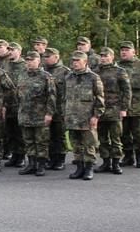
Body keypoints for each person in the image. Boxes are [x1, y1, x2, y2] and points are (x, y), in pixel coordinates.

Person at [64, 51, 105, 181]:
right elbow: (64, 97)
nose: (75, 63)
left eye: (78, 60)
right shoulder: (69, 77)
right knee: (76, 144)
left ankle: (89, 168)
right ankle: (79, 167)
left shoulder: (93, 77)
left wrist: (96, 115)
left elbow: (100, 98)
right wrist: (64, 113)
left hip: (87, 117)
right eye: (73, 60)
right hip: (72, 116)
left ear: (85, 61)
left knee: (89, 144)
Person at [16, 51, 56, 176]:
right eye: (27, 60)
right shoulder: (22, 75)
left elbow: (52, 97)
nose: (29, 62)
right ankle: (31, 164)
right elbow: (18, 95)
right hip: (25, 114)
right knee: (28, 141)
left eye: (32, 60)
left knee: (41, 142)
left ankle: (41, 165)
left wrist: (49, 113)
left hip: (40, 115)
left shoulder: (46, 76)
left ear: (38, 61)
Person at [95, 47, 131, 174]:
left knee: (116, 138)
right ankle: (106, 162)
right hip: (100, 109)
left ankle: (116, 163)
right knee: (102, 138)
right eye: (102, 56)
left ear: (112, 57)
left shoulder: (120, 71)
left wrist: (124, 108)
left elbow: (127, 91)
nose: (103, 58)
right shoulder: (95, 72)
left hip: (115, 108)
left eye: (106, 56)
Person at [42, 48, 69, 170]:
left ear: (56, 57)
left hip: (60, 109)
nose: (45, 59)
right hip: (45, 109)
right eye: (44, 57)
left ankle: (60, 159)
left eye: (48, 56)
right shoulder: (42, 71)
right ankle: (51, 158)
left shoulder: (65, 72)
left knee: (59, 135)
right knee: (47, 135)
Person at [4, 42, 26, 167]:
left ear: (19, 51)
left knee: (20, 133)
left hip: (20, 104)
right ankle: (14, 155)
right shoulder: (6, 65)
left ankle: (21, 156)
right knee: (10, 132)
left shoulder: (24, 65)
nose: (10, 52)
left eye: (12, 50)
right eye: (9, 50)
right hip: (8, 104)